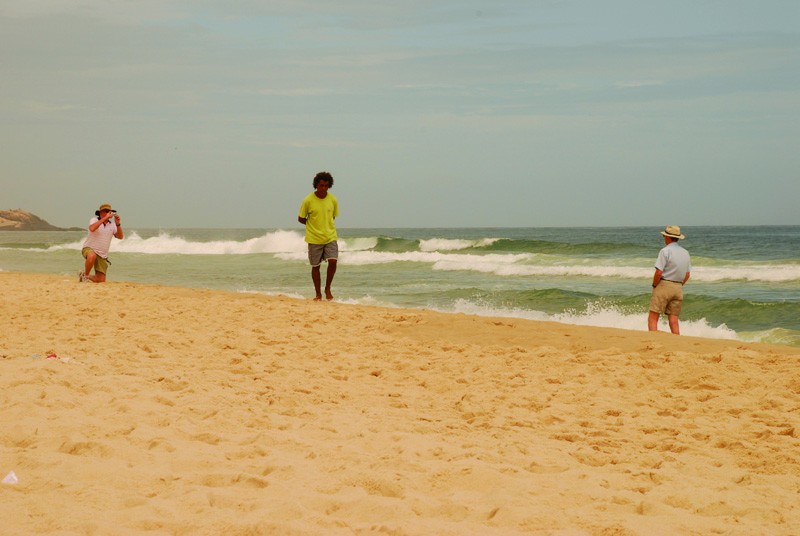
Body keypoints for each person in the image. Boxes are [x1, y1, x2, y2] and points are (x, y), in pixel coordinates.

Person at [298, 171, 339, 301]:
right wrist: (313, 225)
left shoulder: (333, 199)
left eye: (326, 185)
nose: (324, 188)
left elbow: (333, 216)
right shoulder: (308, 200)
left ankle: (327, 289)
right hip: (314, 238)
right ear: (316, 185)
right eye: (321, 185)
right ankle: (318, 294)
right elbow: (301, 218)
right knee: (316, 266)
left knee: (333, 261)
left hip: (330, 236)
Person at [648, 225, 691, 334]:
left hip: (664, 285)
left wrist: (654, 285)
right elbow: (687, 274)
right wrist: (680, 285)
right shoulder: (685, 253)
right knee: (674, 319)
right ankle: (676, 341)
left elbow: (658, 272)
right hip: (678, 287)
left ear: (667, 237)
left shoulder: (665, 251)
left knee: (653, 316)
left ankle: (653, 340)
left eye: (664, 236)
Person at [80, 203, 123, 283]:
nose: (108, 213)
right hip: (89, 248)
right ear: (100, 212)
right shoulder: (94, 220)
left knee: (101, 280)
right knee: (92, 256)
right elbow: (92, 228)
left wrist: (118, 224)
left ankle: (84, 275)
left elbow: (120, 237)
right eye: (106, 211)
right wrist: (104, 218)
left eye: (109, 211)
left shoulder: (112, 225)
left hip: (102, 255)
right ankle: (85, 276)